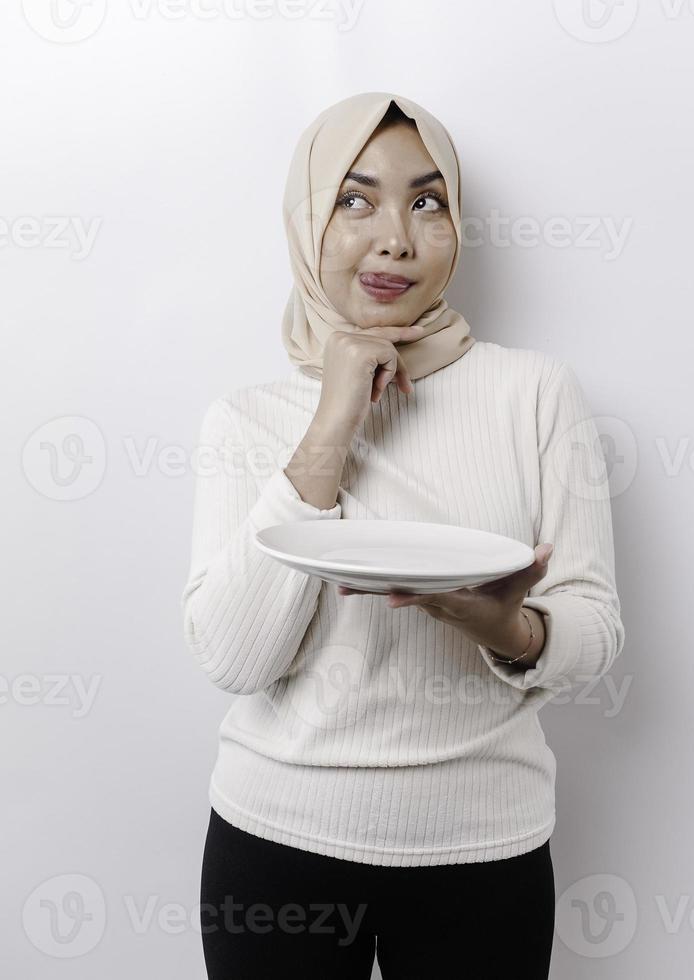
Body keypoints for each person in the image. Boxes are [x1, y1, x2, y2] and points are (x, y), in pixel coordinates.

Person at [182, 91, 625, 979]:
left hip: (483, 852)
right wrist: (332, 423)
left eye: (428, 202)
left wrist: (508, 628)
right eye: (355, 199)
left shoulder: (535, 394)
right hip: (279, 849)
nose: (396, 238)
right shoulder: (246, 420)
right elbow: (233, 660)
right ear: (308, 221)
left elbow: (596, 631)